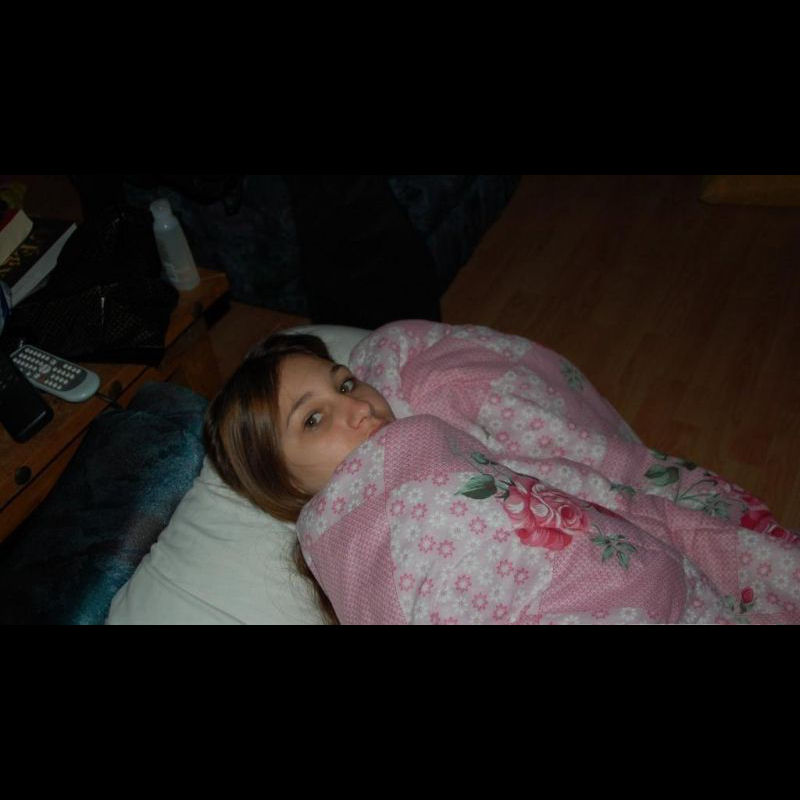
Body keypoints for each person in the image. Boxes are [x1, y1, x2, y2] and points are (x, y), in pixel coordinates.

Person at [204, 332, 396, 624]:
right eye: (313, 420)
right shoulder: (358, 553)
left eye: (345, 385)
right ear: (286, 482)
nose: (361, 407)